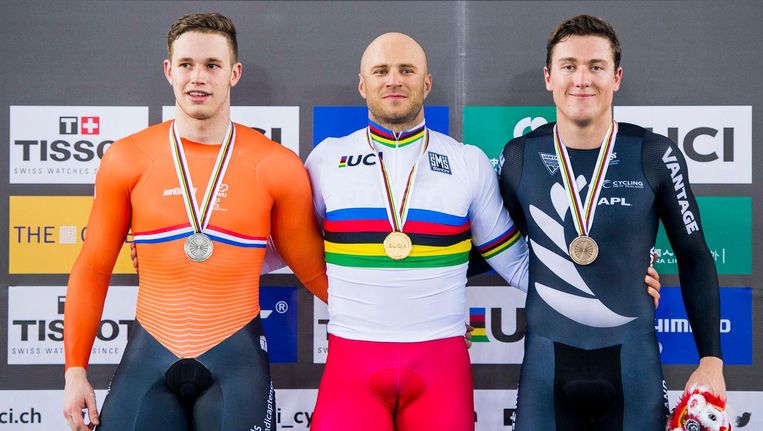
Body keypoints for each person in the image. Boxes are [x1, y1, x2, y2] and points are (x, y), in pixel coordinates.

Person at [305, 32, 661, 431]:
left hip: (440, 366)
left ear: (426, 83)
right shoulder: (327, 160)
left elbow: (518, 265)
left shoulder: (466, 162)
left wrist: (615, 284)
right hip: (352, 360)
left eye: (406, 70)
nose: (393, 80)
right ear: (362, 84)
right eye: (380, 71)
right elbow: (296, 251)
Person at [62, 13, 327, 431]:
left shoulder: (276, 165)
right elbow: (93, 268)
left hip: (237, 361)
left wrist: (401, 318)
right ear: (169, 70)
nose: (198, 77)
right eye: (186, 64)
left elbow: (314, 272)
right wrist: (75, 371)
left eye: (212, 65)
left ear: (234, 74)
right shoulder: (128, 158)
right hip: (149, 355)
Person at [497, 14, 724, 430]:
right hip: (546, 370)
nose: (582, 79)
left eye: (596, 66)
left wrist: (711, 359)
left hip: (633, 368)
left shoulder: (654, 154)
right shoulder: (519, 157)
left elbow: (694, 256)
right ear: (549, 77)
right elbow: (488, 248)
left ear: (616, 77)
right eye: (569, 66)